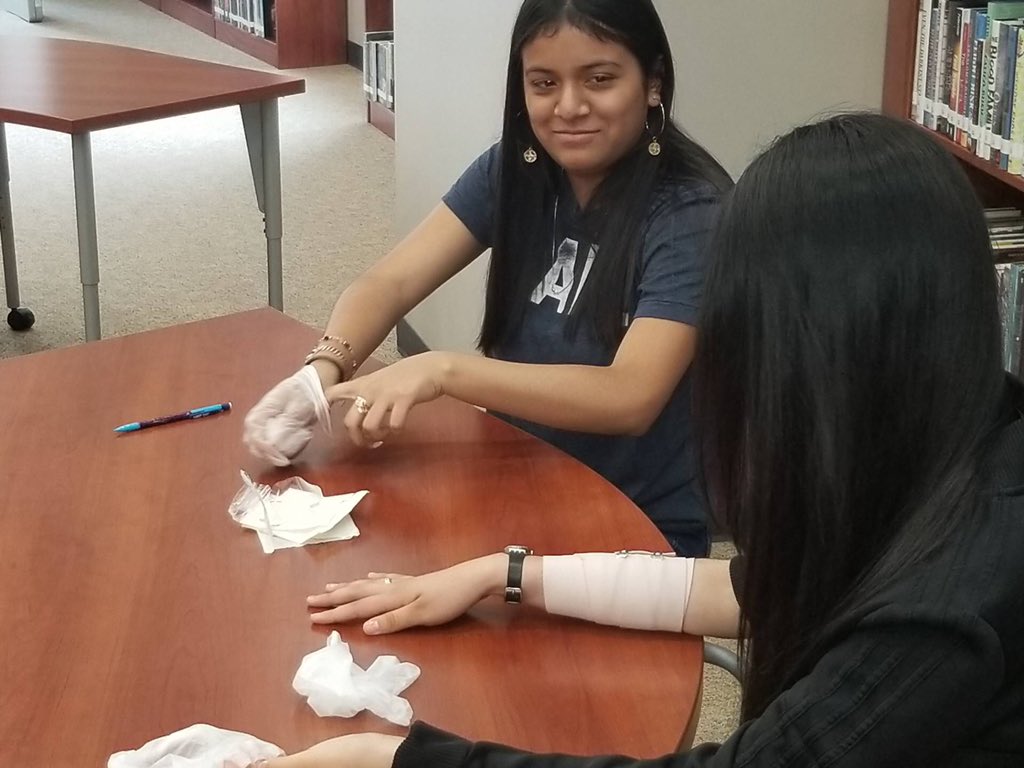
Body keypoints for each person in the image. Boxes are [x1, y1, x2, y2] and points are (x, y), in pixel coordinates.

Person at [260, 113, 1024, 767]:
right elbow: (752, 589)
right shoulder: (968, 434)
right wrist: (505, 573)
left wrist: (400, 757)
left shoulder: (943, 613)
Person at [243, 0, 732, 557]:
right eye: (543, 83)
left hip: (631, 526)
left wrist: (443, 371)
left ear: (652, 84)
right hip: (515, 479)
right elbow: (391, 282)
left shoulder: (691, 213)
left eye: (600, 79)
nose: (569, 107)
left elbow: (630, 395)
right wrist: (323, 368)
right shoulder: (518, 168)